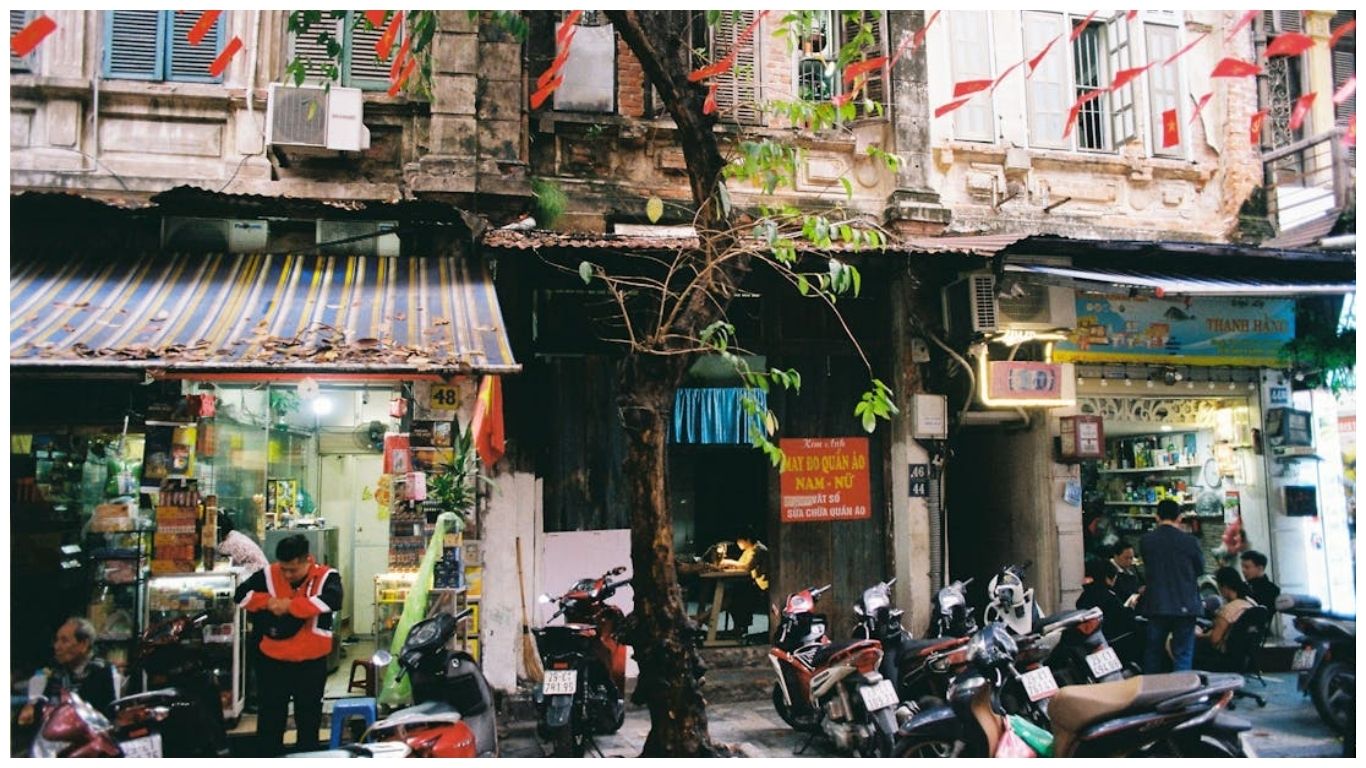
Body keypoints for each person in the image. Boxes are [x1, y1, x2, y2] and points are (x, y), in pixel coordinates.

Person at [234, 533, 342, 756]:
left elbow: (333, 600)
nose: (287, 575)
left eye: (293, 570)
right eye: (283, 569)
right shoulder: (269, 574)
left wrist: (291, 606)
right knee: (270, 720)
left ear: (307, 560)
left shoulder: (326, 577)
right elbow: (240, 595)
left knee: (309, 719)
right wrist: (268, 602)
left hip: (311, 662)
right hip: (273, 661)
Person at [1139, 499, 1204, 673]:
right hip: (1185, 605)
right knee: (1183, 653)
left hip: (1157, 604)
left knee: (1153, 653)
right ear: (1179, 518)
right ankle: (1182, 688)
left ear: (1157, 517)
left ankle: (1151, 688)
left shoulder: (1146, 541)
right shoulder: (1190, 541)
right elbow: (1200, 569)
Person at [16, 618, 120, 726]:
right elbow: (45, 703)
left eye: (64, 641)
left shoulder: (101, 670)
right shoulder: (58, 670)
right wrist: (31, 708)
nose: (57, 646)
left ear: (83, 644)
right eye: (57, 640)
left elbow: (104, 715)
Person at [1077, 559, 1143, 666]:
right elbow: (1125, 620)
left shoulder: (1084, 596)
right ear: (1107, 578)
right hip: (1116, 641)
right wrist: (1131, 608)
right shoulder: (1109, 597)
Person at [1194, 567, 1257, 668]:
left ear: (1225, 587)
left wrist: (1199, 635)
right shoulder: (1252, 604)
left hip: (1224, 657)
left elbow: (1215, 639)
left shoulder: (1229, 610)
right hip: (1246, 655)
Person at [718, 529, 770, 637]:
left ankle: (740, 627)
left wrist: (730, 562)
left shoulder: (758, 550)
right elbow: (741, 565)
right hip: (753, 583)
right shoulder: (748, 550)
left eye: (739, 541)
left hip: (763, 586)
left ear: (748, 540)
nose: (738, 544)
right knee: (734, 592)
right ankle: (739, 627)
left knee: (738, 594)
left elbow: (747, 567)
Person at [217, 512, 269, 576]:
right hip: (260, 571)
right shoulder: (234, 535)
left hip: (257, 574)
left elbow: (217, 551)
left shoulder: (230, 543)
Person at [1109, 541, 1145, 607]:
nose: (1129, 561)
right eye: (1126, 558)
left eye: (1131, 558)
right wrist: (1137, 591)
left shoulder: (1132, 569)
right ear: (1116, 556)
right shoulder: (1108, 571)